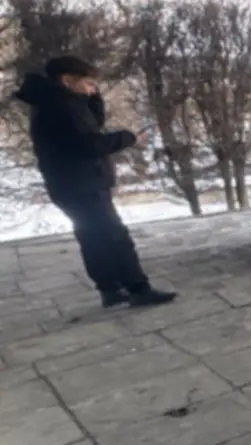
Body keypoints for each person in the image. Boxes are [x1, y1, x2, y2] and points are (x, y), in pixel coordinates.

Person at [13, 56, 176, 308]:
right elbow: (90, 144)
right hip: (83, 183)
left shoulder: (52, 101)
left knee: (92, 236)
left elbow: (90, 126)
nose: (92, 89)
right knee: (114, 236)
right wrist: (128, 138)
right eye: (88, 84)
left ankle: (110, 288)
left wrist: (93, 100)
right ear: (67, 80)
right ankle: (138, 288)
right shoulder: (61, 106)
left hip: (69, 184)